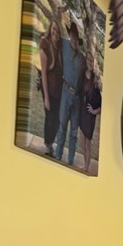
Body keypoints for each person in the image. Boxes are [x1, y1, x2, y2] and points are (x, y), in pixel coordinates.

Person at [51, 20, 86, 165]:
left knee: (73, 133)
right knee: (62, 126)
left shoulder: (82, 58)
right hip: (65, 93)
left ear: (78, 40)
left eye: (75, 38)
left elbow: (86, 77)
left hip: (77, 98)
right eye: (71, 36)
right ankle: (58, 156)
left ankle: (70, 161)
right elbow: (53, 37)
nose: (73, 40)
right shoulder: (64, 44)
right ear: (69, 36)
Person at [39, 20, 63, 155]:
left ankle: (50, 143)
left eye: (58, 31)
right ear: (50, 29)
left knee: (57, 120)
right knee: (50, 118)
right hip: (48, 88)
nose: (55, 32)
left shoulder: (59, 47)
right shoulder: (45, 45)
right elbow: (43, 74)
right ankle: (48, 145)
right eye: (53, 29)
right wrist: (46, 98)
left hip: (59, 91)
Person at [79, 62, 102, 173]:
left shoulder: (97, 93)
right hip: (83, 116)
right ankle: (85, 164)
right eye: (95, 77)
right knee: (82, 143)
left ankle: (86, 167)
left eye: (97, 77)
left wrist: (93, 111)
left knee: (87, 144)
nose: (96, 79)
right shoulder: (87, 86)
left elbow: (101, 109)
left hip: (90, 120)